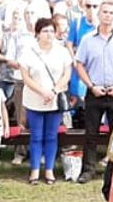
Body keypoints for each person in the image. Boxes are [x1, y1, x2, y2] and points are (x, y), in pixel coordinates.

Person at [72, 3, 113, 178]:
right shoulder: (88, 39)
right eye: (104, 12)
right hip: (95, 91)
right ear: (99, 14)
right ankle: (88, 170)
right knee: (91, 133)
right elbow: (79, 63)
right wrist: (91, 85)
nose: (107, 16)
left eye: (111, 13)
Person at [14, 17, 73, 185]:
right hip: (35, 99)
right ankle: (34, 170)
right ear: (38, 33)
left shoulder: (62, 52)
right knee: (36, 136)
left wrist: (53, 91)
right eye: (45, 31)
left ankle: (49, 170)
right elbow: (26, 77)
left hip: (55, 100)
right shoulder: (28, 52)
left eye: (52, 31)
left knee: (51, 136)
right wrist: (42, 92)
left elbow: (66, 74)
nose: (49, 34)